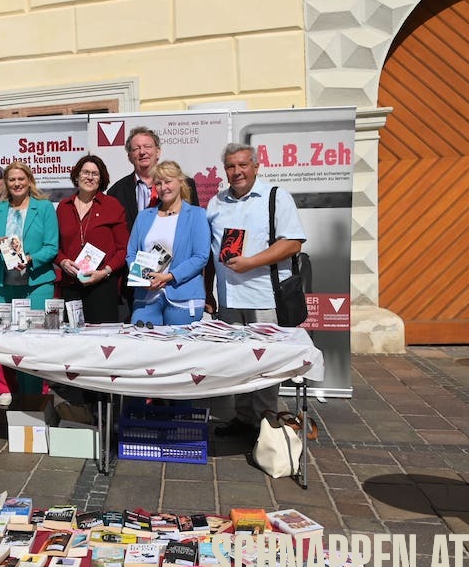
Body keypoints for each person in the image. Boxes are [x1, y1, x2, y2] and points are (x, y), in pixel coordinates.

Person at [206, 143, 306, 438]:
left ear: (255, 166)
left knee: (265, 361)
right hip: (229, 297)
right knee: (238, 360)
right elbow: (211, 250)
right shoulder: (217, 203)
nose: (237, 172)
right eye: (230, 167)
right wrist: (207, 290)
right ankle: (243, 417)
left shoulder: (275, 196)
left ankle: (266, 422)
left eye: (242, 165)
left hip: (265, 297)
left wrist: (252, 262)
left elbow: (293, 243)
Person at [0, 161, 59, 406]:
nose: (16, 184)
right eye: (12, 180)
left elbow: (52, 247)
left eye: (21, 179)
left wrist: (30, 259)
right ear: (6, 183)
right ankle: (14, 395)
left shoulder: (44, 207)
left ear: (29, 181)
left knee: (34, 344)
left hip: (36, 284)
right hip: (5, 286)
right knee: (9, 343)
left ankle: (34, 401)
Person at [125, 160, 210, 325]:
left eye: (168, 181)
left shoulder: (196, 215)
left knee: (181, 350)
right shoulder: (144, 217)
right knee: (141, 346)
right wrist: (143, 278)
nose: (163, 187)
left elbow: (200, 256)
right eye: (158, 183)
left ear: (180, 181)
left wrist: (169, 277)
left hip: (183, 298)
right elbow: (131, 253)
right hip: (146, 296)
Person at [56, 155, 128, 323]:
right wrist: (63, 261)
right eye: (85, 172)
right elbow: (55, 246)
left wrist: (104, 272)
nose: (89, 177)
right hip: (71, 285)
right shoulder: (63, 207)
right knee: (71, 339)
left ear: (101, 178)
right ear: (76, 175)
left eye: (95, 174)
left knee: (101, 341)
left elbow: (123, 248)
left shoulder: (112, 205)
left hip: (102, 285)